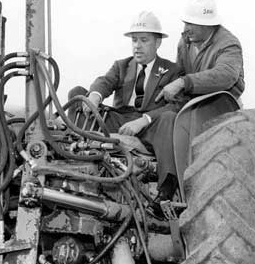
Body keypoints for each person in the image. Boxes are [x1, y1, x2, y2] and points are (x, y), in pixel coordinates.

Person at [68, 11, 184, 201]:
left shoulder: (172, 71)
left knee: (169, 117)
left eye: (144, 40)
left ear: (158, 42)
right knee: (77, 94)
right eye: (134, 40)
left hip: (149, 126)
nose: (137, 46)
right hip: (119, 120)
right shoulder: (122, 66)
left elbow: (176, 105)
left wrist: (143, 121)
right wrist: (95, 97)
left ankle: (166, 189)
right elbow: (104, 81)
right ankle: (72, 155)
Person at [156, 0, 245, 104]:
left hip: (222, 105)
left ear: (208, 24)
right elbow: (180, 72)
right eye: (186, 23)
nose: (186, 29)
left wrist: (184, 82)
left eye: (192, 24)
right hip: (195, 104)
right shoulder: (185, 41)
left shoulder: (229, 44)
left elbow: (227, 75)